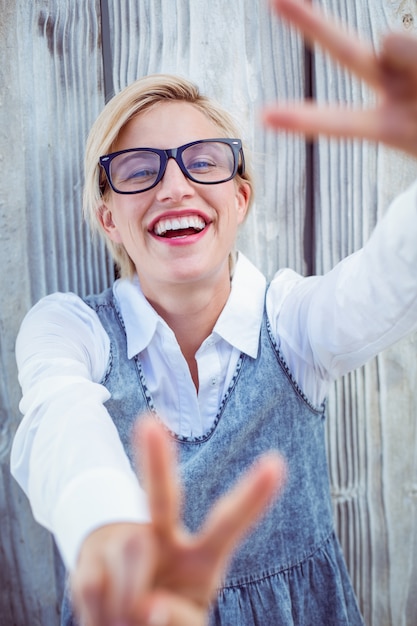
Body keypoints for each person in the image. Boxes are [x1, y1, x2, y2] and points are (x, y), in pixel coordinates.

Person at [10, 0, 417, 624]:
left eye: (202, 162)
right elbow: (58, 417)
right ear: (107, 218)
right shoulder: (70, 330)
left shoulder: (294, 324)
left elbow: (386, 285)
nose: (175, 186)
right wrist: (111, 539)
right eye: (139, 170)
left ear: (241, 198)